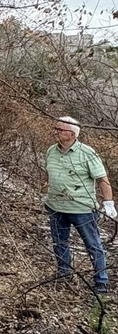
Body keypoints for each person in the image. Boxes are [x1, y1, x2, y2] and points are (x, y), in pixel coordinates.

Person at [44, 116, 117, 294]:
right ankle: (64, 273)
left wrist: (108, 203)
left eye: (59, 130)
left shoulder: (87, 153)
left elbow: (102, 179)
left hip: (82, 209)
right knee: (59, 242)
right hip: (56, 207)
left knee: (93, 245)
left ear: (72, 134)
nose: (55, 132)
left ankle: (101, 281)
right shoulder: (51, 151)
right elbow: (49, 174)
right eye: (56, 128)